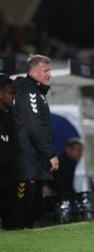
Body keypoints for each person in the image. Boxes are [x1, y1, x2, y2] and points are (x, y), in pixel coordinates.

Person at [12, 54, 59, 229]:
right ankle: (17, 240)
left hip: (33, 160)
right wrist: (51, 154)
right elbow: (34, 127)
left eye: (50, 70)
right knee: (25, 205)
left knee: (33, 206)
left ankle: (25, 237)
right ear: (33, 72)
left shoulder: (37, 92)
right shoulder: (29, 93)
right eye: (45, 70)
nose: (49, 74)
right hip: (26, 161)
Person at [0, 74, 16, 230]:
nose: (13, 97)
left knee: (12, 226)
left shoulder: (13, 118)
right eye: (10, 93)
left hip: (11, 179)